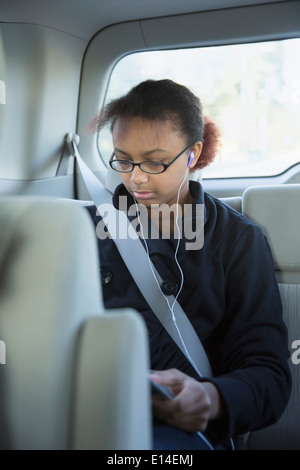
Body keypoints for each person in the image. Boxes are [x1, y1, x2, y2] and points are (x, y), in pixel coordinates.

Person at [86, 79, 291, 450]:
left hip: (179, 434)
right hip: (86, 412)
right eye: (123, 159)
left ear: (192, 154)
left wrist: (210, 397)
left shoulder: (237, 240)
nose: (136, 177)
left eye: (154, 160)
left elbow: (270, 377)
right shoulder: (83, 228)